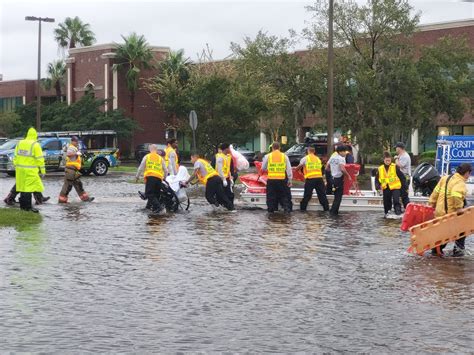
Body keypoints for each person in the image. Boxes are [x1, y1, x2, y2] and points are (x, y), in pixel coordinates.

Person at [428, 163, 471, 257]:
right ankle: (458, 252)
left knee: (443, 234)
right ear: (467, 173)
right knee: (462, 231)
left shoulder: (445, 178)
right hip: (449, 213)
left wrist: (431, 203)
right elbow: (456, 195)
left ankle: (435, 252)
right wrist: (459, 208)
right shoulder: (460, 183)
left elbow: (435, 192)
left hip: (439, 212)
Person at [12, 127, 45, 213]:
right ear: (35, 135)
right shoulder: (35, 145)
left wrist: (16, 166)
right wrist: (43, 171)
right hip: (30, 171)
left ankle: (23, 207)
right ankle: (28, 208)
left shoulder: (20, 143)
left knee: (22, 188)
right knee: (28, 189)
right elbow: (40, 159)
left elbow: (15, 156)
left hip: (20, 171)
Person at [58, 136, 94, 203]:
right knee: (68, 186)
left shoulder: (74, 147)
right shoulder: (71, 147)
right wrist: (76, 153)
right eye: (76, 141)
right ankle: (62, 201)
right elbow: (69, 154)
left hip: (74, 170)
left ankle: (85, 199)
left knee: (78, 184)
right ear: (72, 141)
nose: (77, 142)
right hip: (70, 170)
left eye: (77, 141)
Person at [261, 142, 293, 213]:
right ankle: (287, 211)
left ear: (272, 148)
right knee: (284, 196)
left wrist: (269, 169)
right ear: (279, 148)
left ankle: (271, 212)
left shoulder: (268, 156)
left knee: (270, 197)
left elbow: (263, 168)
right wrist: (290, 179)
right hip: (282, 179)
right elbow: (289, 169)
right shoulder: (284, 156)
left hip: (271, 180)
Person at [136, 144, 168, 212]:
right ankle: (149, 208)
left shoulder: (147, 156)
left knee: (149, 194)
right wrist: (164, 178)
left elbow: (141, 167)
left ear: (150, 149)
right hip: (159, 178)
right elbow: (166, 170)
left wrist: (137, 176)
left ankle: (159, 207)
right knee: (156, 194)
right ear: (156, 150)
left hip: (150, 177)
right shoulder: (160, 158)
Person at [296, 146, 329, 211]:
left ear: (308, 151)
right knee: (322, 195)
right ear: (314, 152)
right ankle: (326, 209)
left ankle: (302, 209)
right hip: (319, 179)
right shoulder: (318, 159)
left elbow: (298, 167)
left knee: (307, 195)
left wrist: (298, 170)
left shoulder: (305, 158)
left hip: (310, 179)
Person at [376, 151, 406, 217]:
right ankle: (387, 213)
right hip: (386, 188)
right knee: (386, 202)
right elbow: (377, 180)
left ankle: (398, 213)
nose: (388, 162)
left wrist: (404, 188)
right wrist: (377, 187)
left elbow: (402, 177)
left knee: (396, 200)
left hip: (395, 187)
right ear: (384, 160)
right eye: (386, 160)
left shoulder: (394, 167)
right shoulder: (380, 169)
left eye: (389, 160)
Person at [326, 145, 351, 216]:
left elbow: (327, 167)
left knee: (335, 196)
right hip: (338, 179)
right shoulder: (341, 159)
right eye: (344, 152)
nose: (345, 153)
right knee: (338, 197)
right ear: (340, 152)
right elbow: (342, 169)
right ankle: (334, 212)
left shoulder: (332, 157)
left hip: (332, 178)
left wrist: (332, 171)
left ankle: (332, 211)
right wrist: (348, 176)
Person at [394, 142, 411, 208]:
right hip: (400, 178)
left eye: (396, 148)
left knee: (404, 195)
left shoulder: (405, 156)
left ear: (399, 148)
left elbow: (400, 165)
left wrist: (396, 158)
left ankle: (407, 209)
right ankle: (401, 209)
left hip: (405, 178)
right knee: (400, 194)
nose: (395, 149)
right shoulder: (401, 156)